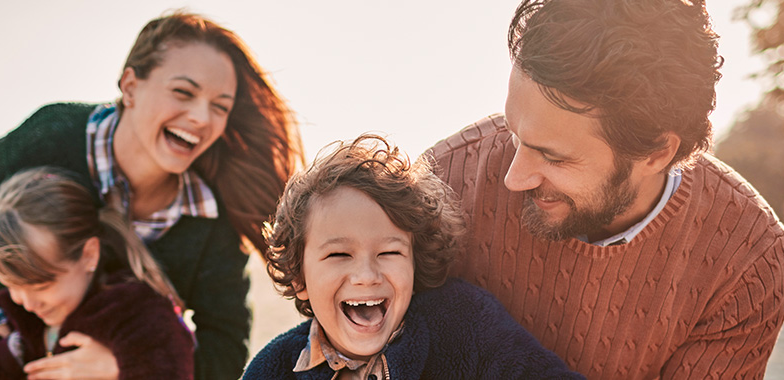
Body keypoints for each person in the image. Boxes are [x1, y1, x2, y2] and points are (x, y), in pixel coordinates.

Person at [0, 10, 303, 380]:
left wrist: (125, 367)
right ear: (130, 86)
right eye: (183, 92)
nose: (202, 118)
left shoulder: (213, 218)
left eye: (220, 107)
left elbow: (225, 348)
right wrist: (0, 329)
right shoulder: (48, 139)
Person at [424, 0, 784, 378]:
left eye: (553, 157)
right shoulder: (437, 186)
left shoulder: (746, 259)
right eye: (514, 136)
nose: (513, 179)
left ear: (656, 153)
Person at [245, 134, 582, 380]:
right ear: (299, 279)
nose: (366, 275)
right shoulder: (272, 368)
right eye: (339, 254)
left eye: (390, 252)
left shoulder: (463, 323)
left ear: (414, 261)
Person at [0, 167, 194, 380]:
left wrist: (120, 370)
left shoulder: (139, 317)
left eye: (40, 286)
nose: (26, 302)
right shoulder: (21, 329)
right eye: (12, 286)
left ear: (89, 255)